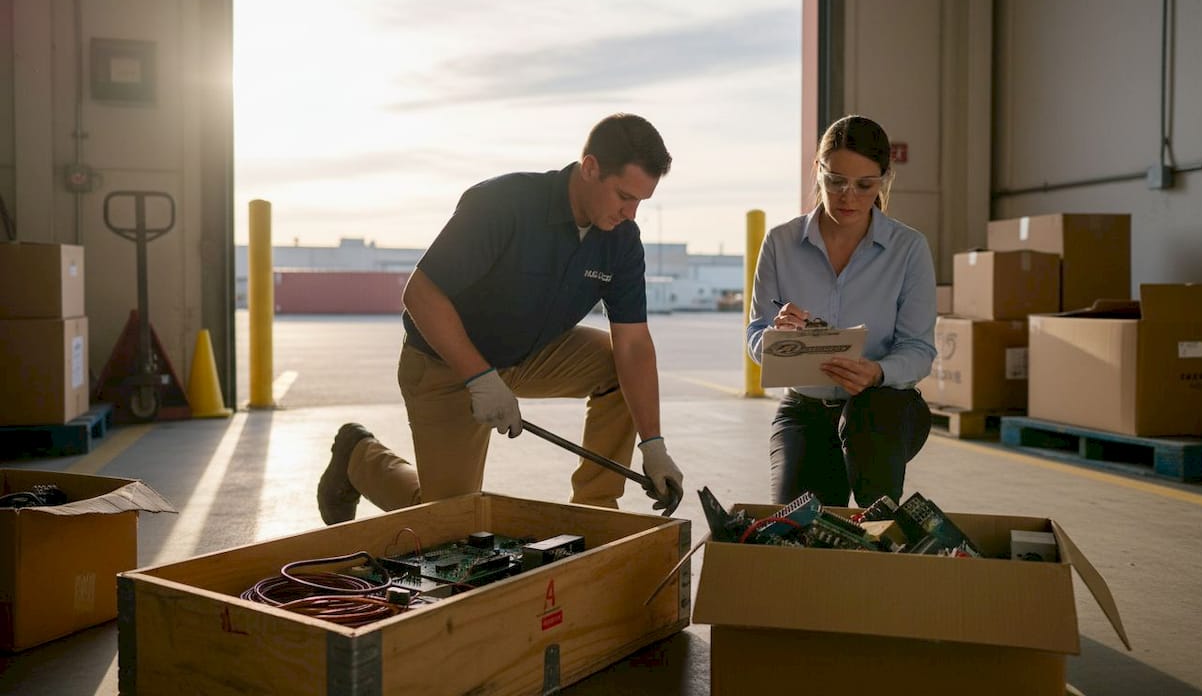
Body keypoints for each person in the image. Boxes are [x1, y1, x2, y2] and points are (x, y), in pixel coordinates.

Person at [316, 113, 684, 525]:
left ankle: (595, 512)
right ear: (591, 167)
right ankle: (358, 457)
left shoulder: (621, 242)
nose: (631, 213)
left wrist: (653, 443)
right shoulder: (503, 204)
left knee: (618, 363)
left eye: (640, 201)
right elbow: (420, 294)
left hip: (529, 354)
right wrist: (479, 377)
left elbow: (633, 345)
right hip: (446, 363)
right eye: (623, 196)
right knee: (449, 522)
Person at [745, 114, 936, 508]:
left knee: (869, 422)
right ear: (818, 171)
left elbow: (919, 349)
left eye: (865, 185)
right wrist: (775, 337)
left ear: (884, 180)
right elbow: (755, 338)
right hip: (807, 409)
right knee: (798, 525)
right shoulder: (781, 244)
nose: (848, 196)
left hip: (884, 408)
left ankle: (881, 532)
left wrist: (877, 372)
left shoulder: (908, 249)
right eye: (835, 181)